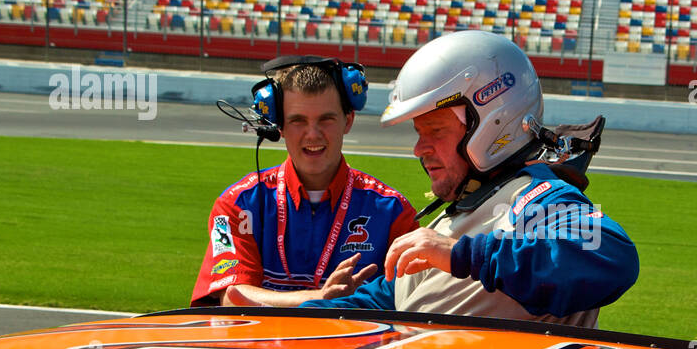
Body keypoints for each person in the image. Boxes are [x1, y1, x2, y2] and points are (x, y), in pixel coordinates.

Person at [300, 30, 638, 327]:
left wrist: (463, 256)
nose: (419, 148)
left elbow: (613, 256)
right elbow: (380, 302)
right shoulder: (452, 219)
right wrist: (295, 321)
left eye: (435, 130)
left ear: (491, 122)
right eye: (419, 133)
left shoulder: (538, 197)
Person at [190, 55, 419, 307]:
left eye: (326, 119)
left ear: (348, 121)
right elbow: (233, 298)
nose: (313, 134)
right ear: (279, 126)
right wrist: (321, 298)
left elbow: (417, 299)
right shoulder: (237, 204)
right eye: (298, 120)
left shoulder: (394, 213)